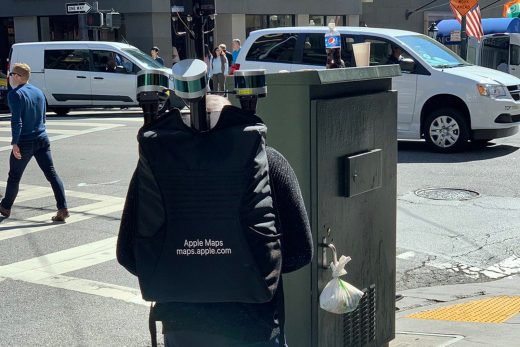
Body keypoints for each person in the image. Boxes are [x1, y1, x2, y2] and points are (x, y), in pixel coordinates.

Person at [117, 94, 313, 347]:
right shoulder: (268, 161)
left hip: (181, 326)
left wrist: (186, 265)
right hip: (255, 326)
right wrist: (251, 264)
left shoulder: (158, 164)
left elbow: (127, 255)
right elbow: (301, 252)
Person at [0, 63, 69, 221]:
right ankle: (63, 208)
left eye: (11, 75)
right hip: (42, 138)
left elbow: (16, 121)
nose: (10, 77)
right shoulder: (38, 92)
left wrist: (15, 143)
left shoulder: (15, 94)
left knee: (14, 176)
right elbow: (43, 117)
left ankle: (5, 207)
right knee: (52, 174)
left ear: (18, 76)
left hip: (25, 141)